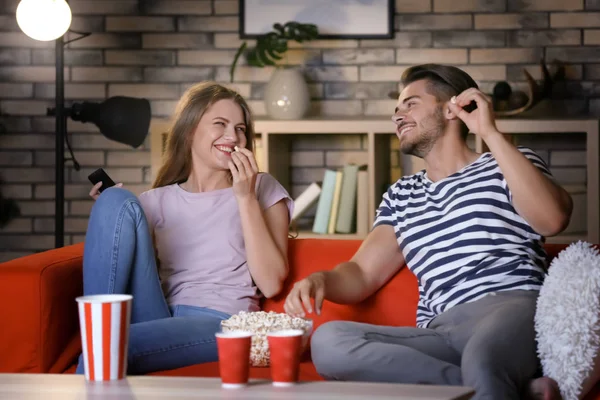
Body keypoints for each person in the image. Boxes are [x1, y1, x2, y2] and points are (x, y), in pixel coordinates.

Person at [284, 64, 571, 400]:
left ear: (453, 108)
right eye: (396, 109)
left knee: (484, 357)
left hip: (510, 307)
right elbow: (362, 273)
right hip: (441, 330)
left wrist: (490, 132)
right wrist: (320, 280)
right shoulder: (401, 195)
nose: (398, 116)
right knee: (329, 342)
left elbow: (552, 220)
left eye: (411, 104)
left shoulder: (510, 162)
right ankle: (511, 391)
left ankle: (489, 381)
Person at [76, 82, 293, 375]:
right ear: (190, 130)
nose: (233, 136)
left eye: (241, 128)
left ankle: (99, 341)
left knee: (109, 347)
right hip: (157, 314)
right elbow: (129, 269)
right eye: (221, 124)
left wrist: (245, 196)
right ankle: (98, 329)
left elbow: (271, 283)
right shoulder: (156, 201)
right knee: (116, 199)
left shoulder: (261, 188)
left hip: (221, 321)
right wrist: (112, 210)